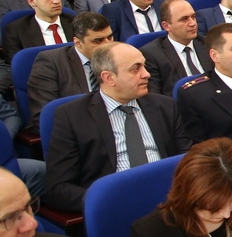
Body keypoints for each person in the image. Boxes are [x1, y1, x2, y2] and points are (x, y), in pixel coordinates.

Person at [45, 42, 193, 211]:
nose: (146, 74)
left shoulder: (165, 107)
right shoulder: (71, 117)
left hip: (171, 199)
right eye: (135, 69)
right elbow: (58, 189)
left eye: (144, 66)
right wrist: (108, 202)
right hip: (116, 205)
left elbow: (187, 159)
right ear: (109, 78)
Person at [26, 11, 112, 132]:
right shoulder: (50, 63)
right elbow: (44, 116)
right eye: (98, 40)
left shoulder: (117, 58)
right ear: (78, 43)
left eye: (110, 37)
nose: (108, 45)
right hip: (78, 132)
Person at [142, 0, 210, 95]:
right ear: (166, 26)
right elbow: (156, 97)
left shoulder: (207, 43)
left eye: (193, 17)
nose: (193, 23)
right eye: (184, 19)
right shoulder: (152, 55)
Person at [3, 0, 74, 64]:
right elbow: (16, 67)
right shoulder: (16, 31)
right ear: (31, 1)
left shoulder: (77, 23)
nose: (57, 1)